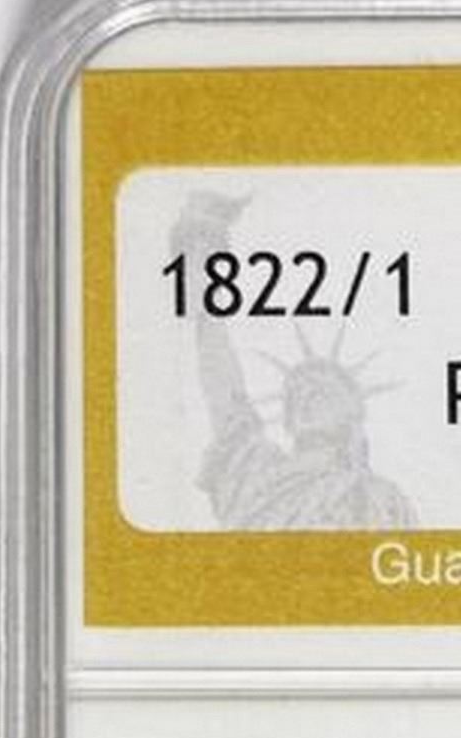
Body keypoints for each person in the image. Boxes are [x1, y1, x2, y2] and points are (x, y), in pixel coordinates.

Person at [168, 192, 414, 529]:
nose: (306, 399)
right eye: (296, 395)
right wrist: (202, 273)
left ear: (352, 415)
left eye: (322, 393)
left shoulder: (378, 497)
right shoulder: (254, 468)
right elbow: (224, 392)